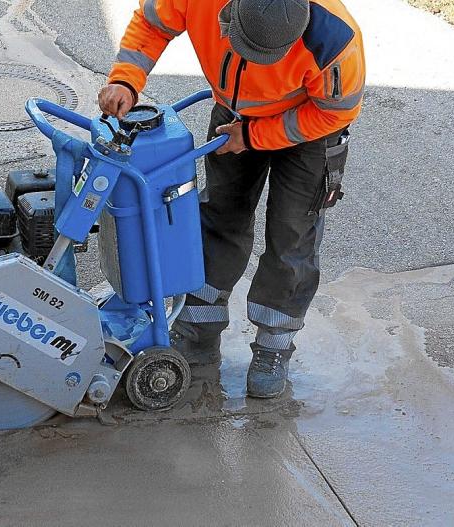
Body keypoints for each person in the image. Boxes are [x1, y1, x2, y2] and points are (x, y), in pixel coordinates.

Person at [99, 0, 365, 398]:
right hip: (233, 113)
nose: (256, 63)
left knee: (292, 234)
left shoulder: (336, 41)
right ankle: (198, 330)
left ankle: (273, 347)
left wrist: (256, 136)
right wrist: (126, 78)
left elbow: (335, 113)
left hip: (308, 130)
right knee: (218, 215)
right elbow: (153, 24)